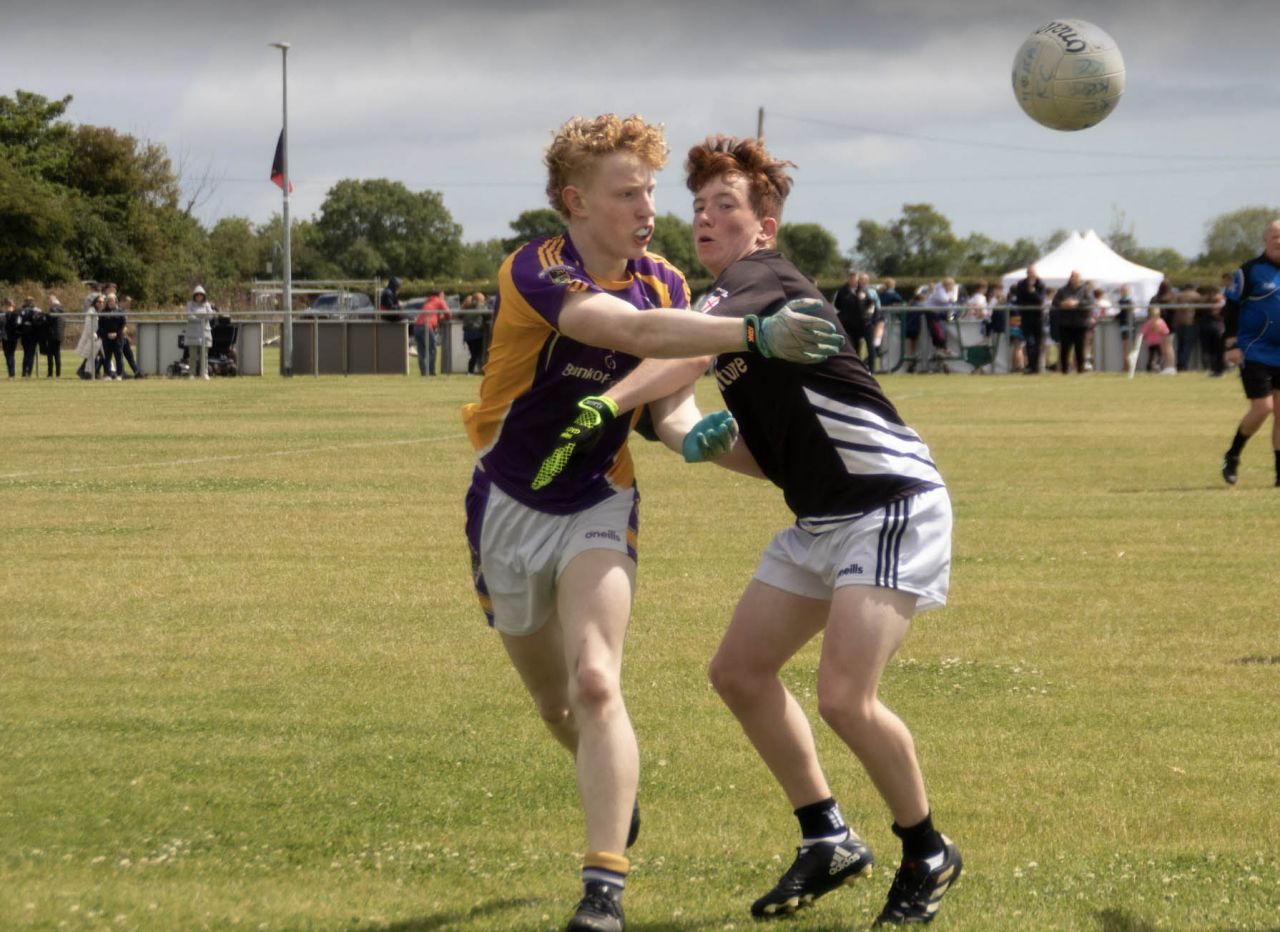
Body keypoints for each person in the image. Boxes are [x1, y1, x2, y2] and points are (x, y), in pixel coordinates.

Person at [542, 134, 961, 927]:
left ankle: (927, 848)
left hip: (890, 501)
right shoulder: (738, 320)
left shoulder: (757, 280)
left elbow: (678, 355)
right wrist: (713, 445)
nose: (703, 218)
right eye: (697, 206)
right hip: (823, 517)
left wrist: (615, 399)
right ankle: (826, 835)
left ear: (762, 228)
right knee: (739, 673)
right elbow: (777, 460)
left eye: (724, 206)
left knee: (845, 697)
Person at [460, 114, 839, 932]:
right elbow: (624, 333)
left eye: (650, 192)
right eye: (627, 194)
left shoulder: (665, 280)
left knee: (597, 679)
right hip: (507, 506)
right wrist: (753, 331)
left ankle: (604, 889)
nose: (648, 209)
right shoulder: (535, 268)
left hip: (599, 496)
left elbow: (666, 394)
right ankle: (610, 789)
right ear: (576, 202)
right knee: (557, 705)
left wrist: (687, 432)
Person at [1219, 218, 1280, 487]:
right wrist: (1231, 343)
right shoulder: (1250, 271)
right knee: (1263, 408)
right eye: (1275, 236)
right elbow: (1230, 308)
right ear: (1265, 240)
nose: (1279, 241)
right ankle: (1233, 454)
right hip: (1256, 351)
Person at [1011, 264, 1045, 373]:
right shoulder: (1021, 284)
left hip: (1038, 318)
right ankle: (1031, 366)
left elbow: (1040, 300)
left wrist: (1032, 292)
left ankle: (1036, 366)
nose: (1031, 275)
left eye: (1033, 272)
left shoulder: (1041, 284)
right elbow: (1020, 300)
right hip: (1026, 317)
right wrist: (1031, 296)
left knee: (1038, 343)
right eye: (1029, 272)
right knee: (1029, 342)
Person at [415, 291, 449, 376]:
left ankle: (423, 372)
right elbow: (448, 313)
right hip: (427, 326)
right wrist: (445, 318)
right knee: (432, 349)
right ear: (440, 295)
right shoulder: (439, 300)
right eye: (443, 295)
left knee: (421, 351)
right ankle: (431, 372)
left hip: (417, 326)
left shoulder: (428, 301)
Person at [185, 285, 214, 379]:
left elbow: (211, 315)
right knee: (192, 355)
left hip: (204, 333)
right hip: (193, 334)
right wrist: (201, 318)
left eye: (201, 295)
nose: (199, 296)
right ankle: (191, 373)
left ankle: (204, 373)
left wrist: (199, 317)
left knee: (204, 356)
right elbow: (190, 316)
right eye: (197, 295)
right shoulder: (190, 304)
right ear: (194, 295)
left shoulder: (207, 305)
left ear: (203, 296)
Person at [97, 293, 127, 380]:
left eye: (112, 300)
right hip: (106, 338)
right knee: (107, 357)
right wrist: (107, 334)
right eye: (108, 301)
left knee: (118, 356)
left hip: (118, 337)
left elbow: (123, 324)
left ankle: (119, 374)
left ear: (116, 301)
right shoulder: (103, 313)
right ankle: (107, 374)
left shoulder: (120, 312)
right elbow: (100, 325)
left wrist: (116, 333)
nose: (110, 302)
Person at [461, 292, 488, 374]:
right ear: (479, 300)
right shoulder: (480, 306)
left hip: (467, 334)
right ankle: (471, 371)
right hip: (477, 334)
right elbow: (488, 314)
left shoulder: (467, 307)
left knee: (474, 353)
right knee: (477, 354)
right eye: (483, 299)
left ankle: (475, 370)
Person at [42, 295, 66, 378]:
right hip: (60, 334)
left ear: (52, 301)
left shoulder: (53, 309)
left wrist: (44, 316)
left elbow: (49, 320)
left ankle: (50, 373)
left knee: (50, 354)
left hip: (52, 334)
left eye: (49, 302)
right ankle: (58, 373)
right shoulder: (62, 309)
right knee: (57, 354)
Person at [1141, 307, 1170, 372]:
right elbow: (1143, 331)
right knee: (1151, 356)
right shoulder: (1149, 323)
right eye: (1154, 315)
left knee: (1161, 355)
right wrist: (1142, 335)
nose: (1155, 317)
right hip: (1151, 343)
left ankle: (1158, 365)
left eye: (1157, 315)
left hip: (1158, 342)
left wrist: (1161, 330)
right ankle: (1148, 368)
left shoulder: (1161, 322)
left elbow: (1166, 331)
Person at [2, 298, 19, 378]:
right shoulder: (15, 314)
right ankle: (11, 373)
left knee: (9, 355)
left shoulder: (9, 315)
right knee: (10, 355)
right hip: (10, 337)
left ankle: (11, 373)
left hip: (9, 337)